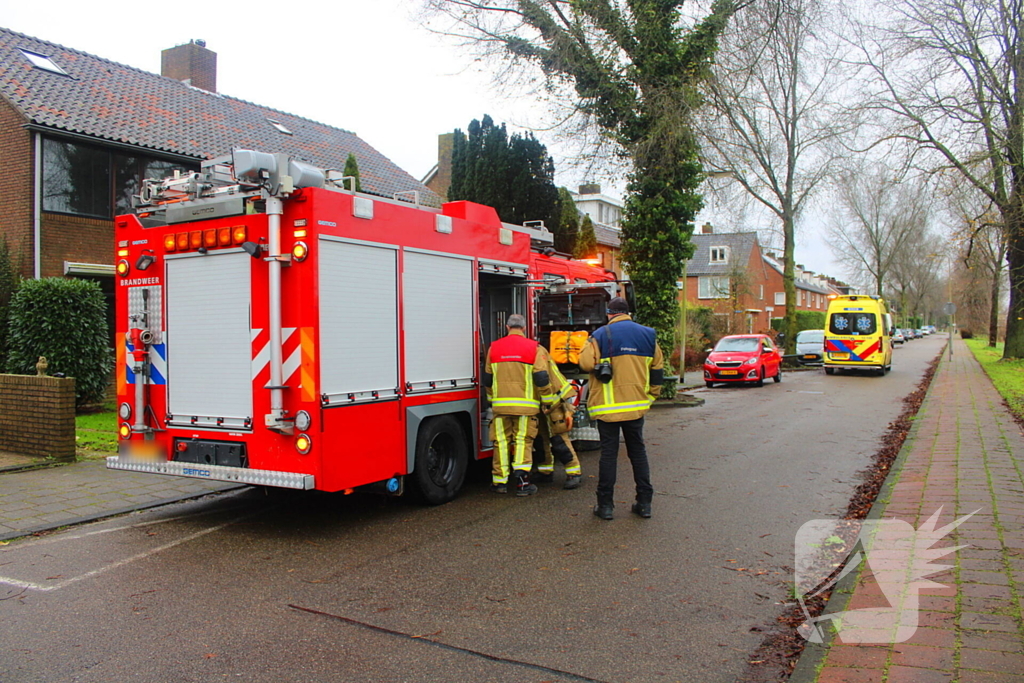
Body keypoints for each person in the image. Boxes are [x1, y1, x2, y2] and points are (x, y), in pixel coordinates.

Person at [579, 297, 664, 520]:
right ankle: (644, 503)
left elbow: (586, 364)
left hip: (608, 408)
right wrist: (651, 396)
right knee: (638, 452)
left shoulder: (600, 335)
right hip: (636, 406)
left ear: (609, 314)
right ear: (628, 313)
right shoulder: (648, 335)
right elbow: (657, 370)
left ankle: (605, 506)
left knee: (609, 454)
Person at [483, 314, 555, 496]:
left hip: (500, 407)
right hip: (526, 407)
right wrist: (547, 400)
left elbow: (488, 378)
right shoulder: (534, 348)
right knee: (523, 441)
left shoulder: (494, 348)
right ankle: (523, 483)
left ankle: (499, 482)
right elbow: (541, 376)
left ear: (507, 327)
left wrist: (492, 399)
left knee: (501, 442)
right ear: (524, 328)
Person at [532, 362, 583, 489]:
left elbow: (542, 376)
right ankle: (545, 471)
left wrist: (550, 403)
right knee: (540, 438)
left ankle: (573, 473)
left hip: (553, 397)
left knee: (559, 438)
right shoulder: (530, 351)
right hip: (539, 399)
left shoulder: (537, 352)